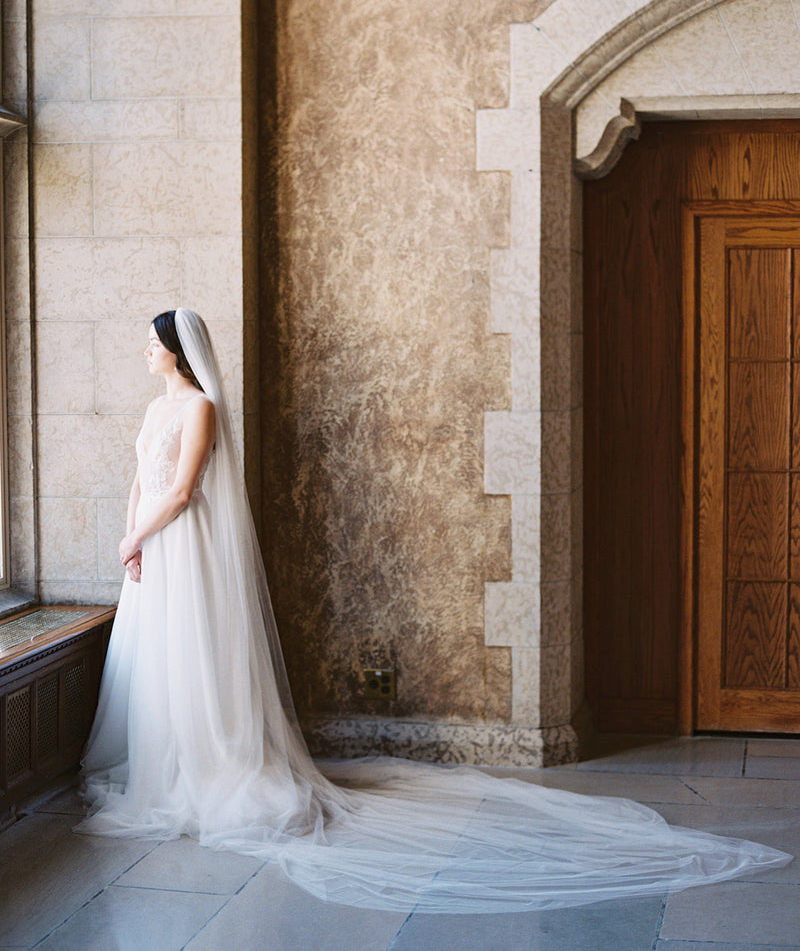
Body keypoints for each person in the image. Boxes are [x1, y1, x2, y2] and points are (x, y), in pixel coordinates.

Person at [78, 308, 791, 913]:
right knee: (160, 657)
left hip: (185, 542)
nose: (145, 350)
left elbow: (183, 489)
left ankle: (210, 770)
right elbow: (143, 477)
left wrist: (140, 532)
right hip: (151, 547)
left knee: (195, 652)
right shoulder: (153, 408)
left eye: (152, 339)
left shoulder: (201, 407)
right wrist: (130, 537)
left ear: (176, 348)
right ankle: (167, 768)